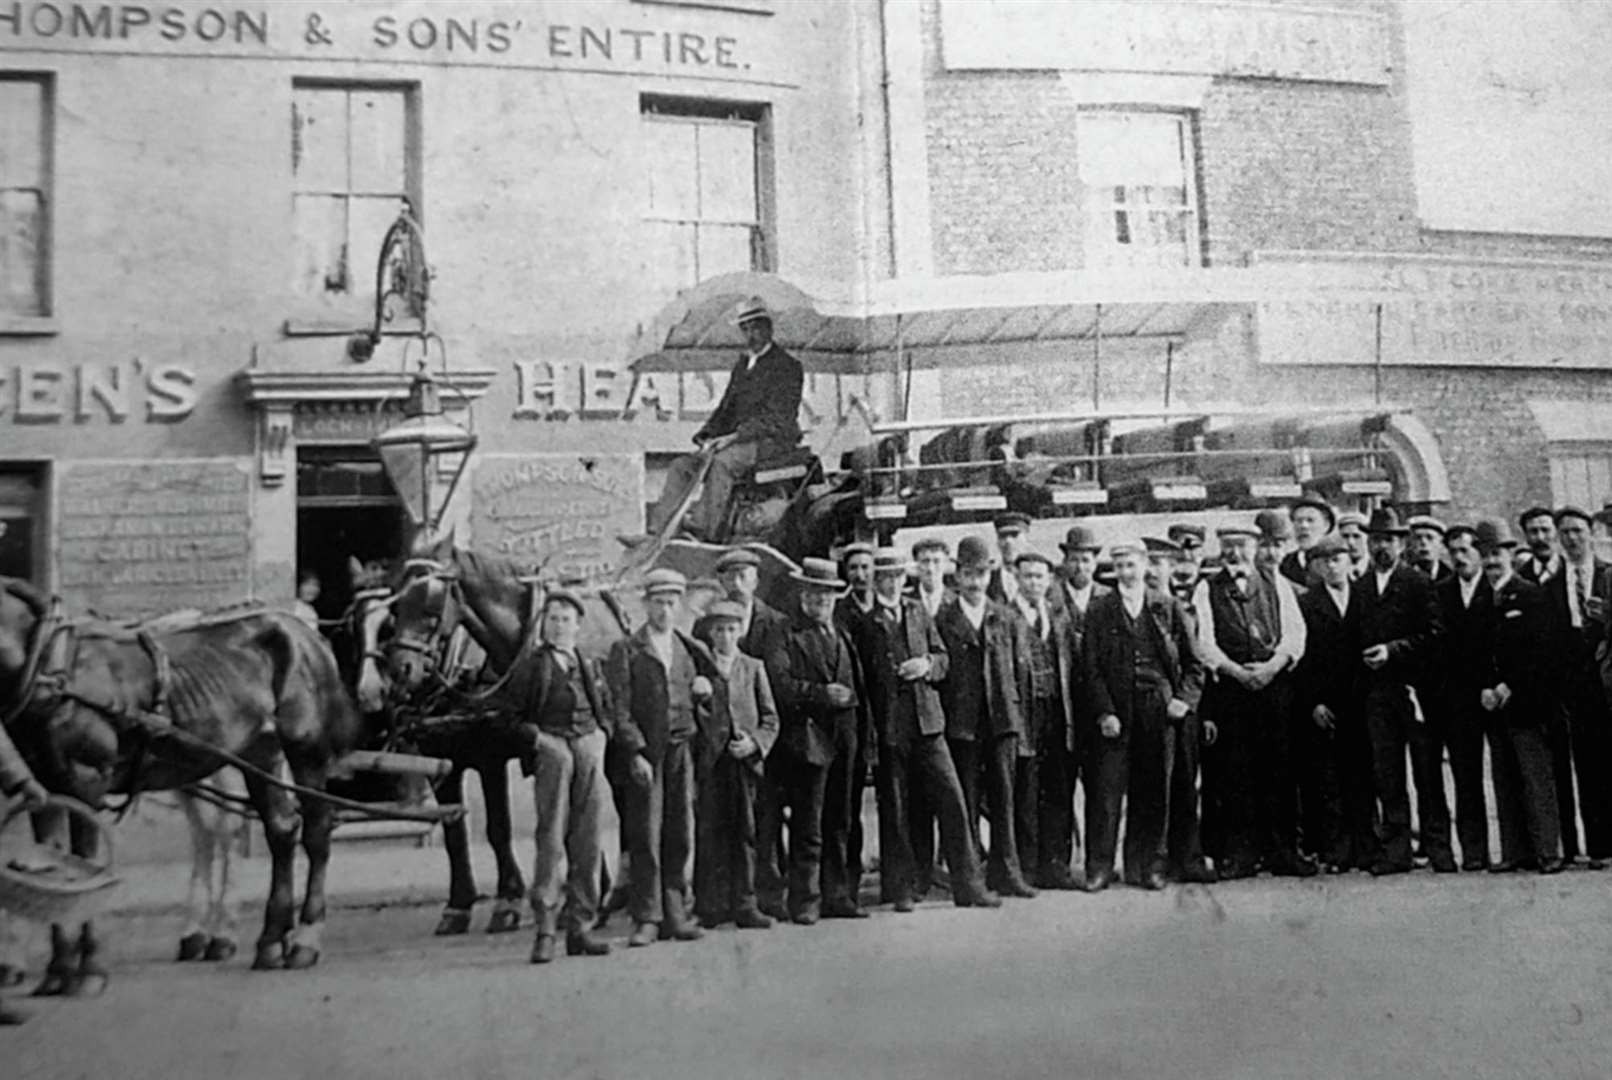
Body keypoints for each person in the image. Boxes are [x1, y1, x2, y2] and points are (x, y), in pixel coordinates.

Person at [859, 549, 1000, 912]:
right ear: (876, 581)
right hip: (891, 726)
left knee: (953, 800)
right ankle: (901, 888)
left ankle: (968, 886)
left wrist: (926, 665)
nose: (891, 582)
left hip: (929, 722)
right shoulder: (865, 621)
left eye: (896, 575)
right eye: (884, 576)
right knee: (897, 809)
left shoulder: (917, 611)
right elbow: (862, 682)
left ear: (905, 579)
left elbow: (942, 658)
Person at [1081, 539, 1205, 891]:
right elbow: (1090, 669)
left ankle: (1148, 865)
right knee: (1106, 791)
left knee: (1154, 790)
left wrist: (1183, 699)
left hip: (1158, 708)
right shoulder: (1100, 609)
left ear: (1145, 566)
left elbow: (1194, 665)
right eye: (1118, 566)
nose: (1124, 573)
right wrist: (1104, 711)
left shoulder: (1167, 607)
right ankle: (1100, 867)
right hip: (1116, 711)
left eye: (1130, 565)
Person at [1194, 523, 1314, 879]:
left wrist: (1271, 667)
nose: (1235, 553)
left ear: (1255, 546)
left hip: (1274, 688)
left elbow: (1296, 635)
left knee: (1279, 770)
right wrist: (1236, 671)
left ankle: (1283, 852)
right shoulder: (1207, 588)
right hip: (1232, 692)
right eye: (1228, 546)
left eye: (1242, 545)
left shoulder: (1275, 582)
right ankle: (1240, 855)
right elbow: (1204, 643)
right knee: (1236, 774)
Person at [607, 568, 717, 947]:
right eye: (658, 603)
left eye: (671, 603)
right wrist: (635, 751)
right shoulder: (627, 650)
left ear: (679, 606)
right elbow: (618, 710)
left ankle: (675, 912)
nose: (665, 611)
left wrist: (704, 694)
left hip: (681, 750)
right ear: (645, 605)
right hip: (648, 755)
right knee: (645, 835)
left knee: (679, 832)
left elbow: (710, 694)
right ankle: (647, 917)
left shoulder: (688, 648)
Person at [503, 589, 614, 964]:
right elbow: (509, 719)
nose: (559, 625)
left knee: (588, 837)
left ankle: (581, 926)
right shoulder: (532, 666)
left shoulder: (589, 662)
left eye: (566, 619)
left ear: (578, 625)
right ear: (544, 624)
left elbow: (607, 708)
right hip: (554, 753)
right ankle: (546, 928)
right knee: (550, 837)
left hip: (587, 748)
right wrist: (540, 741)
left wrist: (601, 735)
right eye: (552, 618)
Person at [643, 298, 804, 543]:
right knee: (682, 466)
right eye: (746, 328)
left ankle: (706, 532)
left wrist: (732, 438)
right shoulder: (743, 364)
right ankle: (660, 530)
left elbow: (776, 418)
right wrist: (706, 435)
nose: (751, 334)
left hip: (771, 443)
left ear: (768, 328)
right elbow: (726, 408)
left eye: (756, 327)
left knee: (721, 464)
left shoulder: (788, 367)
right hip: (737, 442)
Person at [763, 558, 870, 924]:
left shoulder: (841, 635)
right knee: (809, 823)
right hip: (807, 740)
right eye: (812, 593)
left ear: (835, 597)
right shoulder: (784, 633)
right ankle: (805, 899)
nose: (819, 600)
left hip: (845, 739)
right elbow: (780, 685)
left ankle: (837, 894)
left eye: (826, 594)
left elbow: (860, 690)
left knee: (841, 819)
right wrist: (822, 694)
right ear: (801, 594)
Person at [937, 535, 1035, 898]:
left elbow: (1020, 673)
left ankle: (1006, 871)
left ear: (989, 574)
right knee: (965, 800)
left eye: (980, 574)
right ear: (957, 576)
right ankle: (971, 875)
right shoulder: (944, 619)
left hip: (1001, 720)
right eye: (967, 574)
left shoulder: (1005, 617)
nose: (975, 581)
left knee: (1004, 799)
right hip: (962, 724)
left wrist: (1019, 724)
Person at [1356, 507, 1447, 876]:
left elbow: (1435, 635)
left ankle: (1440, 848)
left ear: (1401, 543)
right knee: (1388, 774)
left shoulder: (1417, 582)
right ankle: (1397, 851)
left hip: (1414, 691)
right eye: (1377, 539)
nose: (1382, 547)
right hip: (1377, 694)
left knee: (1427, 772)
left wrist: (1392, 650)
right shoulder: (1360, 586)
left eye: (1389, 540)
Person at [1474, 519, 1563, 874]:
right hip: (1495, 705)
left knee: (1535, 778)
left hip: (1526, 703)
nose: (1491, 561)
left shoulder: (1529, 595)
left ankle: (1547, 851)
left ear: (1510, 554)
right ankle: (1515, 851)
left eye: (1497, 553)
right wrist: (1485, 686)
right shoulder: (1483, 599)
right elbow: (1477, 652)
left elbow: (1539, 652)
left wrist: (1510, 685)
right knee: (1504, 777)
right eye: (1486, 555)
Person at [692, 600, 780, 930]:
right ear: (710, 633)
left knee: (746, 830)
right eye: (719, 630)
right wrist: (697, 698)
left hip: (744, 763)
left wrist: (754, 743)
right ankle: (710, 904)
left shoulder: (753, 667)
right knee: (710, 829)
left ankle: (745, 902)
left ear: (740, 631)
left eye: (731, 629)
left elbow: (771, 718)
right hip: (712, 763)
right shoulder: (700, 669)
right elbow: (692, 717)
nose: (726, 636)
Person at [1294, 535, 1379, 873]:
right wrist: (1313, 702)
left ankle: (1368, 847)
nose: (1332, 566)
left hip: (1363, 700)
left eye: (1338, 559)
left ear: (1349, 561)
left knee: (1365, 774)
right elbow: (1303, 660)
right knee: (1331, 780)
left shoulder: (1366, 596)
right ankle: (1338, 850)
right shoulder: (1307, 603)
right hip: (1326, 703)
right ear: (1315, 566)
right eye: (1324, 561)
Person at [1011, 550, 1083, 891]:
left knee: (1058, 789)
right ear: (1016, 577)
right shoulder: (1006, 617)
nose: (1034, 583)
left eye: (1040, 576)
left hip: (1057, 710)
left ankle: (1056, 867)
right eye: (1028, 576)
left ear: (1049, 579)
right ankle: (1027, 868)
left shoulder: (1058, 615)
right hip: (1026, 712)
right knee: (1026, 792)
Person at [1547, 506, 1612, 866]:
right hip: (1574, 682)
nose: (1572, 538)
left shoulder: (1609, 575)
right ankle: (1599, 845)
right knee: (1587, 764)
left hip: (1607, 676)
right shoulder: (1552, 585)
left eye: (1578, 531)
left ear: (1590, 533)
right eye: (1565, 532)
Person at [1432, 524, 1499, 870]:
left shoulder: (1495, 587)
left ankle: (1521, 848)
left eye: (1465, 551)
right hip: (1458, 699)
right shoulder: (1441, 593)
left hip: (1497, 695)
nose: (1459, 558)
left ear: (1480, 553)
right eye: (1453, 551)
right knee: (1466, 776)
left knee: (1505, 773)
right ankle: (1474, 852)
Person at [693, 547, 788, 660]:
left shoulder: (775, 623)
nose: (737, 584)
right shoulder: (705, 623)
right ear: (722, 583)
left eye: (743, 577)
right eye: (730, 578)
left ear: (755, 583)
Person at [1281, 497, 1336, 587]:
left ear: (1326, 525)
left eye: (1310, 520)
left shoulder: (1337, 560)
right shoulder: (1285, 563)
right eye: (1298, 521)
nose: (1304, 526)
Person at [987, 513, 1031, 605]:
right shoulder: (988, 581)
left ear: (1027, 539)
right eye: (1003, 536)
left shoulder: (1041, 579)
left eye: (1014, 535)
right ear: (997, 542)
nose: (1008, 541)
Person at [1516, 506, 1561, 585]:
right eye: (1533, 531)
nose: (1540, 537)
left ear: (1557, 533)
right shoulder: (1519, 578)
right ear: (1526, 536)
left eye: (1545, 530)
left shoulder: (1571, 573)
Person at [910, 537, 952, 618]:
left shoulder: (956, 602)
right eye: (925, 561)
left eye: (936, 561)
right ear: (916, 566)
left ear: (945, 564)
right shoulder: (905, 602)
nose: (930, 568)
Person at [1406, 515, 1454, 585]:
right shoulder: (1402, 576)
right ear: (1410, 543)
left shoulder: (1450, 577)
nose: (1423, 543)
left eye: (1430, 538)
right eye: (1418, 537)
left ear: (1441, 544)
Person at [1336, 511, 1371, 581]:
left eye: (1356, 536)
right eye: (1345, 536)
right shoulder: (1335, 570)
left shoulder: (1377, 569)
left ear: (1367, 539)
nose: (1350, 542)